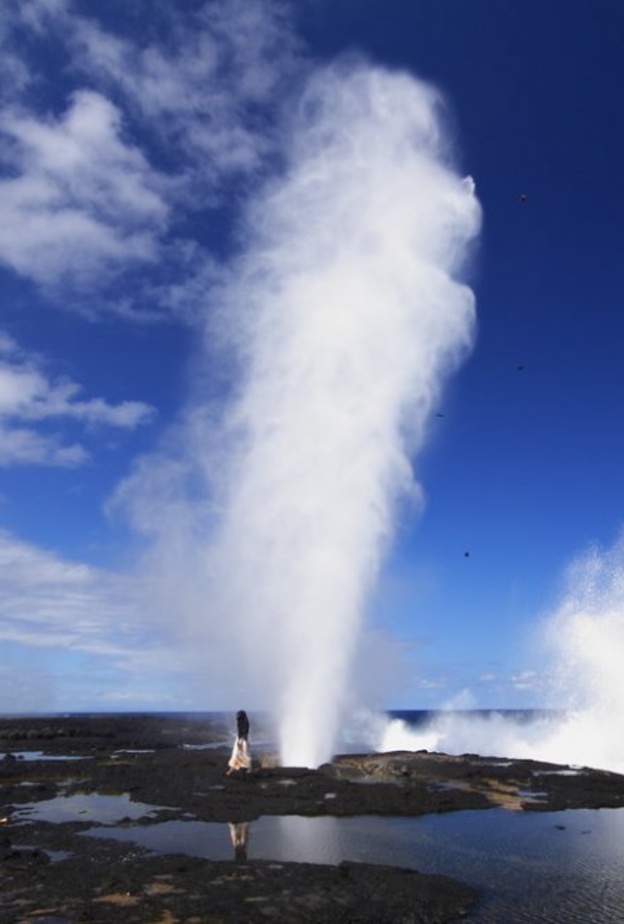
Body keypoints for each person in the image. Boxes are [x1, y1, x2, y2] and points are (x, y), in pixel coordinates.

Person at [226, 710, 251, 776]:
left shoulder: (243, 724)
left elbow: (243, 733)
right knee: (238, 755)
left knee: (241, 755)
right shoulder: (243, 723)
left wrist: (240, 742)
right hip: (242, 739)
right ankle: (232, 769)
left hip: (242, 740)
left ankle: (246, 769)